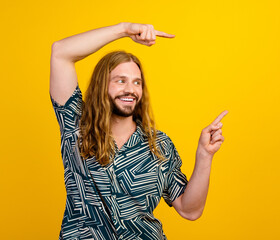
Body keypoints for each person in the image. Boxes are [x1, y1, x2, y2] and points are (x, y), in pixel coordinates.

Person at [50, 22, 228, 240]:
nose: (130, 89)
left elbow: (189, 210)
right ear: (101, 85)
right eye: (120, 80)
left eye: (137, 82)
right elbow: (61, 53)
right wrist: (125, 30)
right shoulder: (76, 126)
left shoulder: (159, 145)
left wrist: (204, 155)